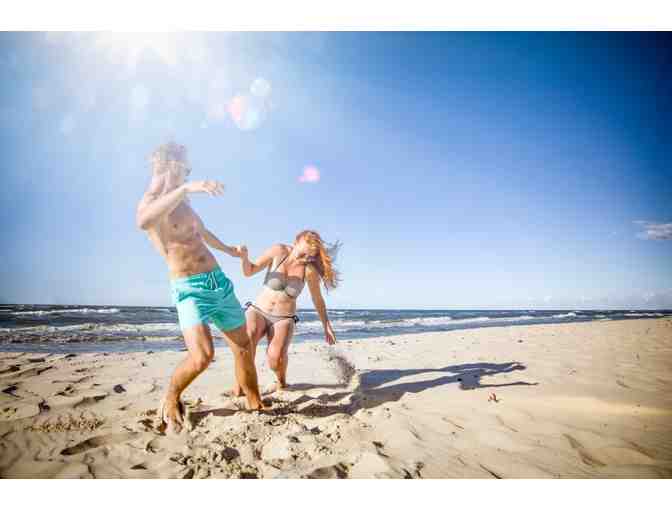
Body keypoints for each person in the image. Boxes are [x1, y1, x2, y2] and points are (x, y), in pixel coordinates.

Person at [136, 142, 264, 433]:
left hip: (218, 282)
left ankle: (255, 403)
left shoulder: (184, 204)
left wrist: (230, 250)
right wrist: (186, 188)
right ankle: (172, 395)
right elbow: (144, 221)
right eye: (185, 169)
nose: (188, 174)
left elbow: (202, 233)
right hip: (189, 288)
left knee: (243, 346)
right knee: (202, 356)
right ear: (167, 165)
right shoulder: (151, 202)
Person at [230, 230, 340, 396]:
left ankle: (281, 382)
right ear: (295, 243)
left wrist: (327, 325)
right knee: (247, 342)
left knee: (275, 359)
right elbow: (249, 271)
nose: (304, 259)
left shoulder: (309, 270)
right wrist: (244, 257)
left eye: (309, 257)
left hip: (283, 318)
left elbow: (317, 299)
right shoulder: (278, 251)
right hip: (258, 310)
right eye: (302, 254)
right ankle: (241, 385)